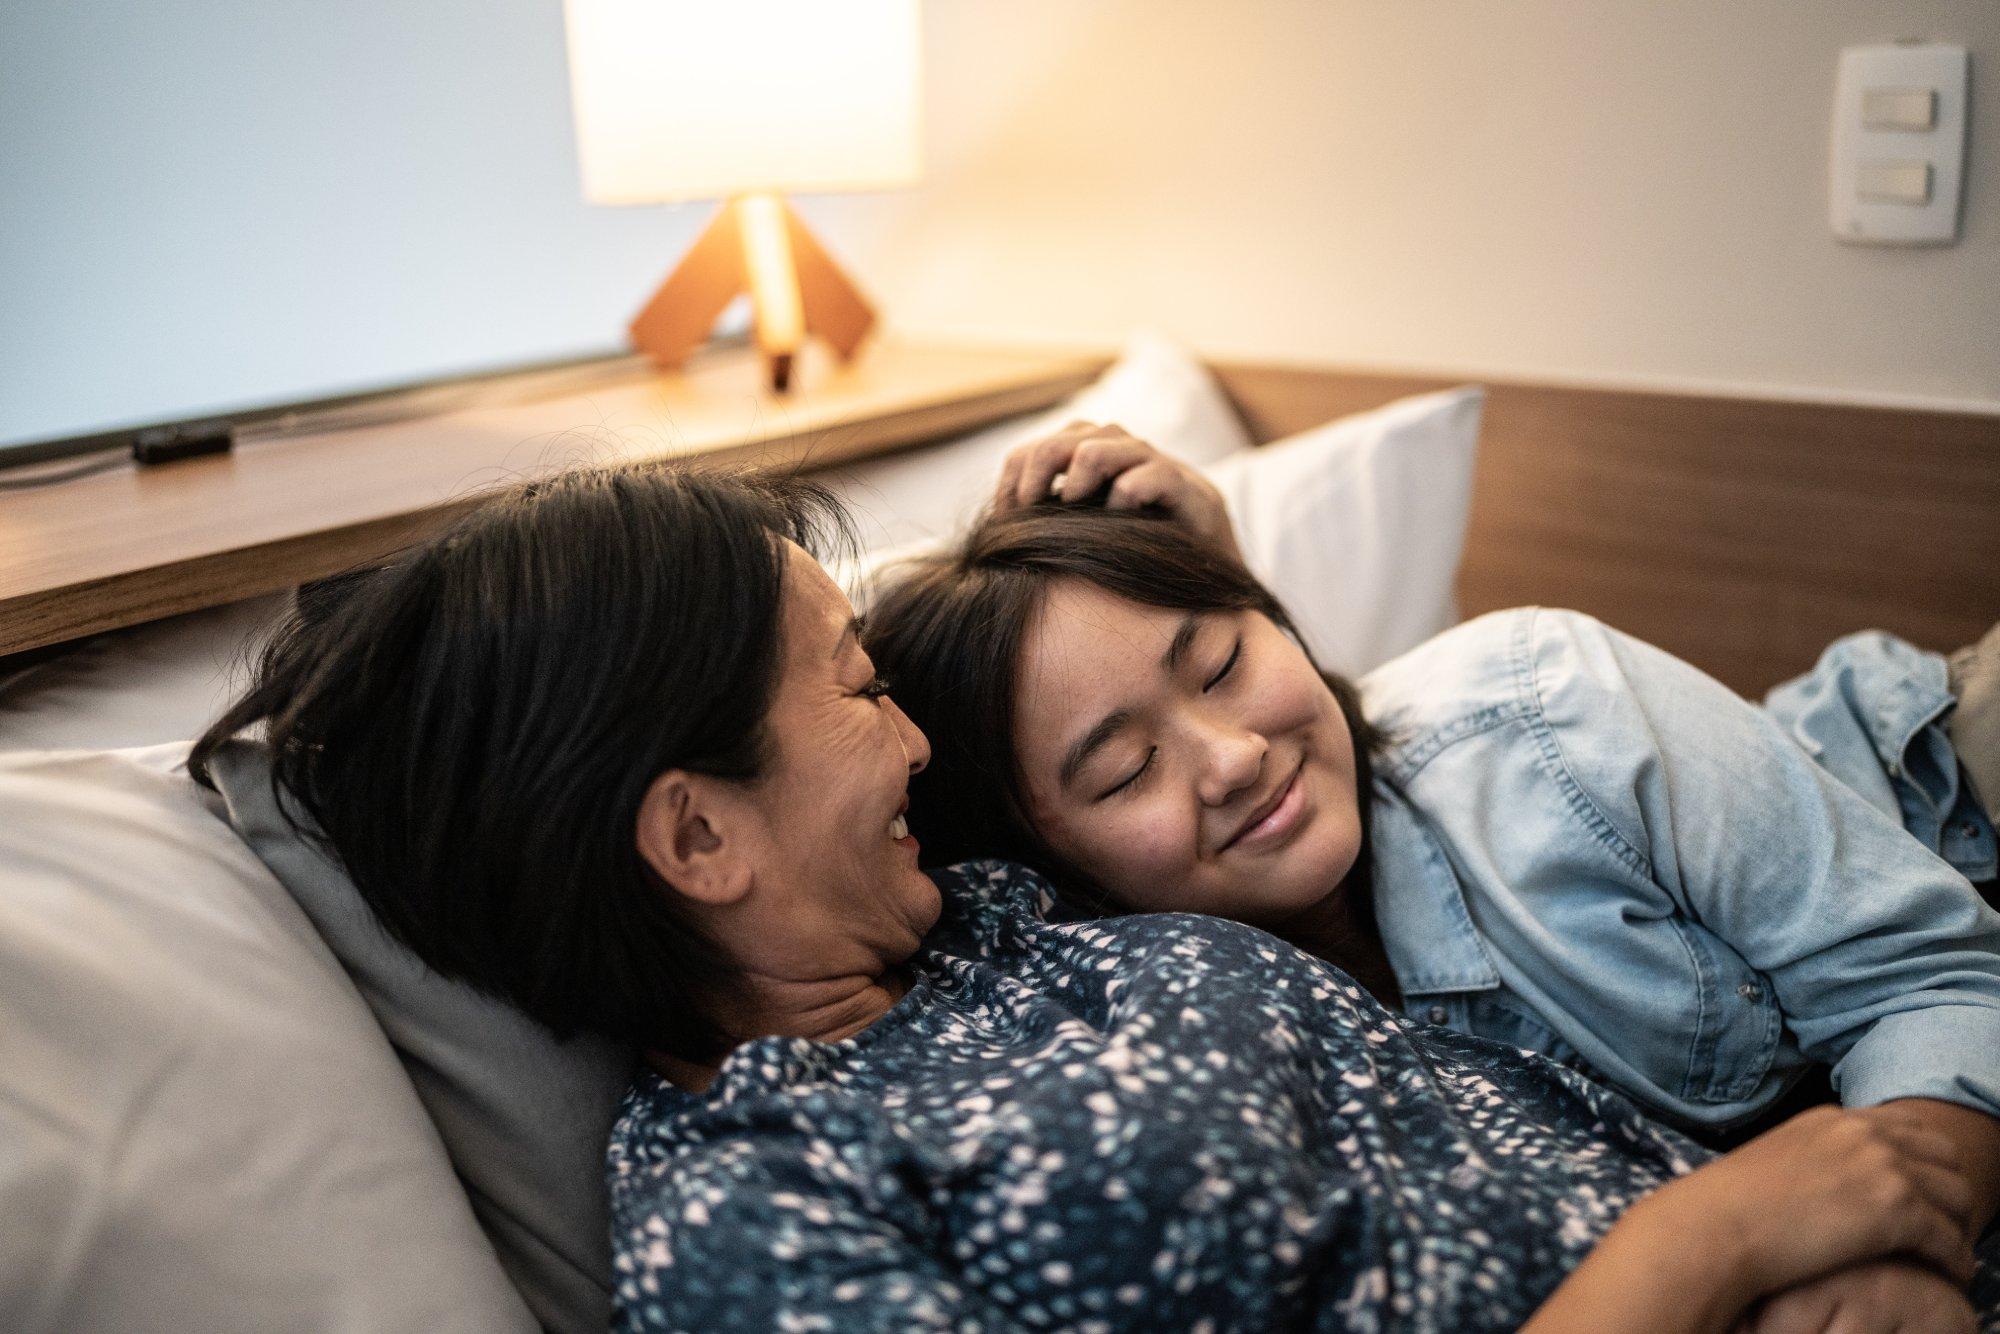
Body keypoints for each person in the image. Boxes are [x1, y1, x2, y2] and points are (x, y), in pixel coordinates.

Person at [190, 462, 1986, 1332]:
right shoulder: (759, 1214)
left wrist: (1172, 561)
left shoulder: (983, 913)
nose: (902, 728)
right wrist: (1703, 1258)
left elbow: (1158, 733)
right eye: (854, 682)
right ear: (699, 840)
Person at [863, 424, 2000, 1328]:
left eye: (1221, 662)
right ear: (1052, 874)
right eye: (1123, 770)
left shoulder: (1540, 710)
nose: (1233, 756)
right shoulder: (1136, 1024)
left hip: (1940, 780)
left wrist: (1898, 1236)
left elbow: (1933, 972)